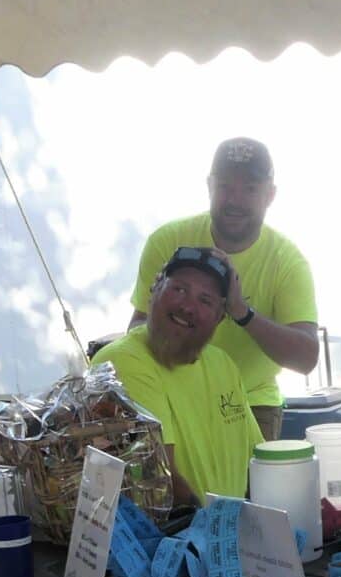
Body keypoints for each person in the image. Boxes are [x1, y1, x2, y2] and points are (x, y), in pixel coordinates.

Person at [129, 137, 318, 441]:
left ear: (270, 195)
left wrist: (241, 312)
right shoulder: (166, 242)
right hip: (172, 395)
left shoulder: (288, 261)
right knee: (168, 484)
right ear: (209, 186)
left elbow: (307, 359)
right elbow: (136, 330)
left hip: (249, 400)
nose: (235, 200)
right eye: (226, 187)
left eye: (250, 189)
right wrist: (164, 311)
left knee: (243, 488)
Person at [98, 247, 263, 504]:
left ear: (220, 317)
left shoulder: (222, 363)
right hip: (173, 539)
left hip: (225, 534)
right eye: (180, 289)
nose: (187, 307)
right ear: (155, 289)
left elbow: (259, 459)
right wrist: (216, 534)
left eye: (205, 300)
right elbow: (163, 481)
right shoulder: (123, 360)